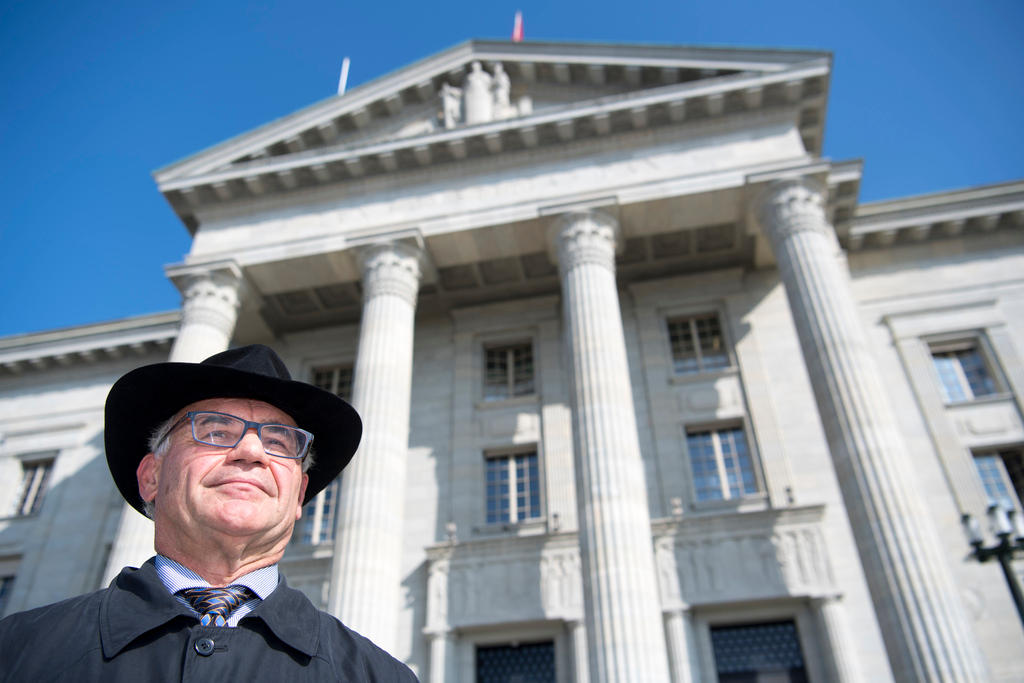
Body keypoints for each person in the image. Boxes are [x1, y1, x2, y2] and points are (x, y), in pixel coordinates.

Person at [0, 344, 419, 682]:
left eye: (279, 441)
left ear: (298, 496)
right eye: (216, 431)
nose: (251, 452)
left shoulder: (377, 675)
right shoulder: (17, 652)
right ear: (151, 476)